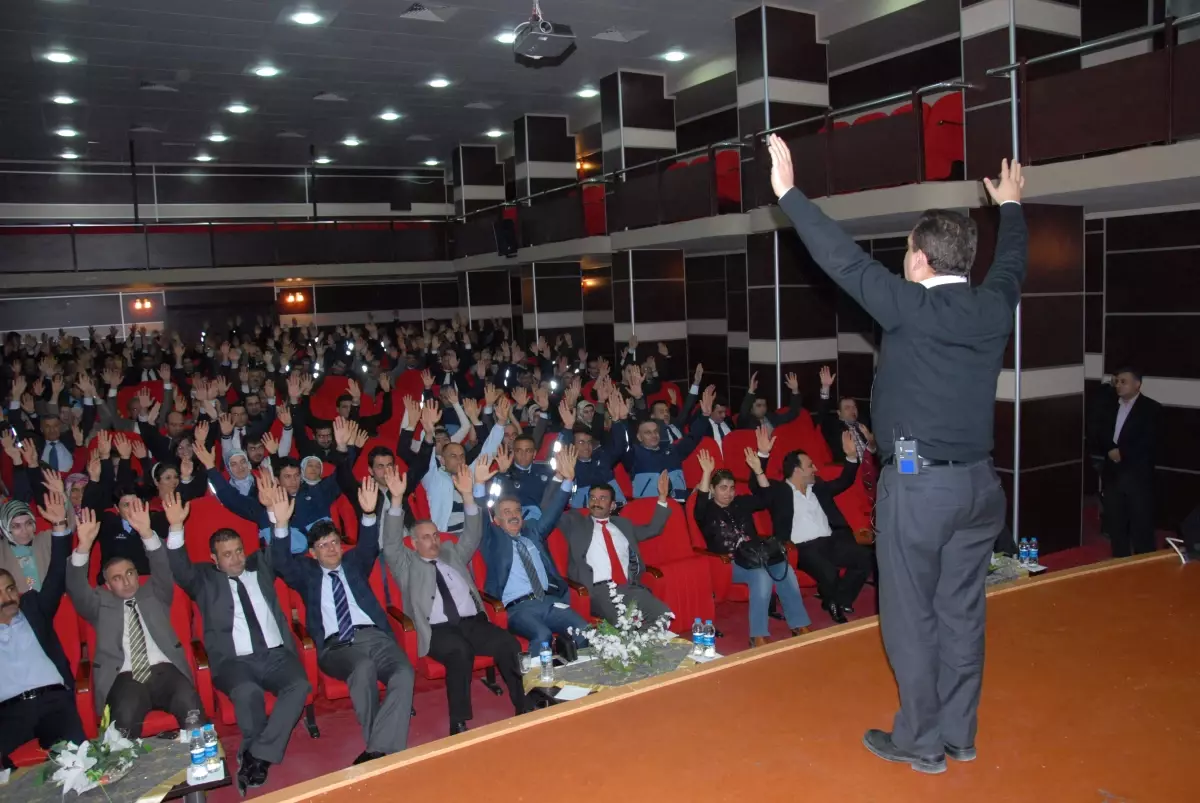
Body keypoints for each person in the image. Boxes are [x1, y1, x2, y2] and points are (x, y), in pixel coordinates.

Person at [767, 134, 1027, 773]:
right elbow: (1013, 264)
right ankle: (959, 735)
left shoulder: (912, 307)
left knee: (911, 618)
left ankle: (919, 743)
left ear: (917, 260)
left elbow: (844, 261)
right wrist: (1014, 208)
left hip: (919, 488)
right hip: (980, 488)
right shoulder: (993, 306)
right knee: (963, 613)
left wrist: (788, 195)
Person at [164, 493, 311, 794]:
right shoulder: (205, 580)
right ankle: (259, 755)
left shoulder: (261, 567)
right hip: (234, 661)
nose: (235, 558)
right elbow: (180, 569)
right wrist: (176, 527)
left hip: (276, 655)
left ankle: (257, 755)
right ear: (214, 560)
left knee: (300, 686)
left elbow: (280, 554)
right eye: (227, 554)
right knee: (247, 692)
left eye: (238, 551)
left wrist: (279, 522)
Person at [268, 474, 415, 766]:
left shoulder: (354, 564)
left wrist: (370, 513)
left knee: (404, 673)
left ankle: (376, 750)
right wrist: (281, 524)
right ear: (312, 552)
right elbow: (281, 563)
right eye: (323, 545)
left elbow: (369, 546)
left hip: (375, 637)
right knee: (362, 667)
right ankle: (382, 747)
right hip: (337, 647)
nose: (332, 548)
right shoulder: (306, 574)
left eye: (334, 542)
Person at [380, 463, 526, 735]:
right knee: (459, 651)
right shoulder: (406, 564)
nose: (434, 541)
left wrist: (468, 496)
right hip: (437, 630)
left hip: (473, 622)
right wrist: (397, 500)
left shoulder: (450, 553)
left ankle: (524, 703)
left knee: (508, 643)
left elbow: (473, 535)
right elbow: (390, 543)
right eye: (426, 538)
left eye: (435, 535)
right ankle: (458, 721)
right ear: (414, 543)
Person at [66, 498, 205, 737]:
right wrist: (84, 547)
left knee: (191, 706)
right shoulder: (99, 602)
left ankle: (205, 766)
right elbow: (76, 589)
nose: (127, 580)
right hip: (125, 677)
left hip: (165, 671)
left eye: (130, 573)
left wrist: (147, 533)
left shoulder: (154, 592)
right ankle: (125, 771)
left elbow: (162, 567)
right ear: (108, 585)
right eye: (118, 577)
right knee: (125, 718)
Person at [477, 447, 590, 656]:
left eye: (517, 511)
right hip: (518, 609)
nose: (514, 516)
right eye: (506, 512)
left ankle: (583, 678)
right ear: (496, 519)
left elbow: (553, 512)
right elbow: (480, 514)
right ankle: (539, 685)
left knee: (585, 630)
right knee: (542, 635)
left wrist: (567, 481)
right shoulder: (492, 538)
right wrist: (479, 486)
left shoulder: (532, 532)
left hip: (549, 602)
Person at [692, 450, 811, 646]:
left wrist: (758, 470)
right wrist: (706, 473)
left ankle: (798, 623)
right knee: (760, 576)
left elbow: (767, 498)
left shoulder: (740, 503)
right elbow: (700, 502)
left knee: (785, 569)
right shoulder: (707, 512)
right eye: (722, 488)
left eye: (731, 488)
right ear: (712, 490)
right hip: (728, 564)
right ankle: (758, 634)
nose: (728, 493)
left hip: (756, 556)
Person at [0, 491, 83, 769]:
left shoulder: (34, 608)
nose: (7, 596)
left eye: (11, 588)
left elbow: (57, 574)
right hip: (8, 711)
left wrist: (60, 527)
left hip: (52, 701)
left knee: (78, 761)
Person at [753, 427, 870, 624]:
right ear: (797, 470)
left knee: (865, 558)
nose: (815, 469)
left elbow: (845, 481)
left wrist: (851, 457)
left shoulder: (819, 488)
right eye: (810, 466)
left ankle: (838, 600)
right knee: (828, 571)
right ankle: (833, 602)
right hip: (802, 549)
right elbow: (756, 487)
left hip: (830, 541)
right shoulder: (780, 492)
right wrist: (763, 455)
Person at [557, 472, 674, 628]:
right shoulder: (575, 523)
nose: (596, 502)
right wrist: (561, 479)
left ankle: (641, 648)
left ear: (612, 505)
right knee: (626, 625)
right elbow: (548, 509)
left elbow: (653, 529)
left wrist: (662, 497)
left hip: (629, 587)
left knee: (663, 615)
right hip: (599, 591)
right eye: (592, 498)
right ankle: (636, 647)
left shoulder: (623, 525)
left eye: (602, 498)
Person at [1095, 368, 1161, 557]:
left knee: (1141, 524)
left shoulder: (1151, 409)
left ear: (1137, 384)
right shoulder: (1109, 407)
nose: (1118, 385)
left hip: (1137, 474)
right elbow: (1100, 431)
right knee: (1116, 523)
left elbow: (1151, 440)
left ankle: (1145, 563)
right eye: (1117, 381)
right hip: (1113, 473)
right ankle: (1119, 560)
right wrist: (1109, 449)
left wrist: (1122, 452)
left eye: (1123, 381)